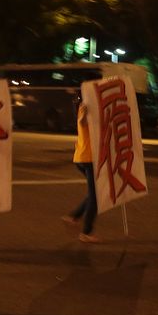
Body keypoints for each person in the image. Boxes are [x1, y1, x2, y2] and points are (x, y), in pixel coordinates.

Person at [62, 97, 101, 244]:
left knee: (94, 193)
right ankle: (86, 233)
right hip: (88, 159)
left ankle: (74, 217)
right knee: (95, 197)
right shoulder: (85, 110)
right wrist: (85, 114)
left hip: (82, 158)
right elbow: (82, 122)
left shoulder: (91, 112)